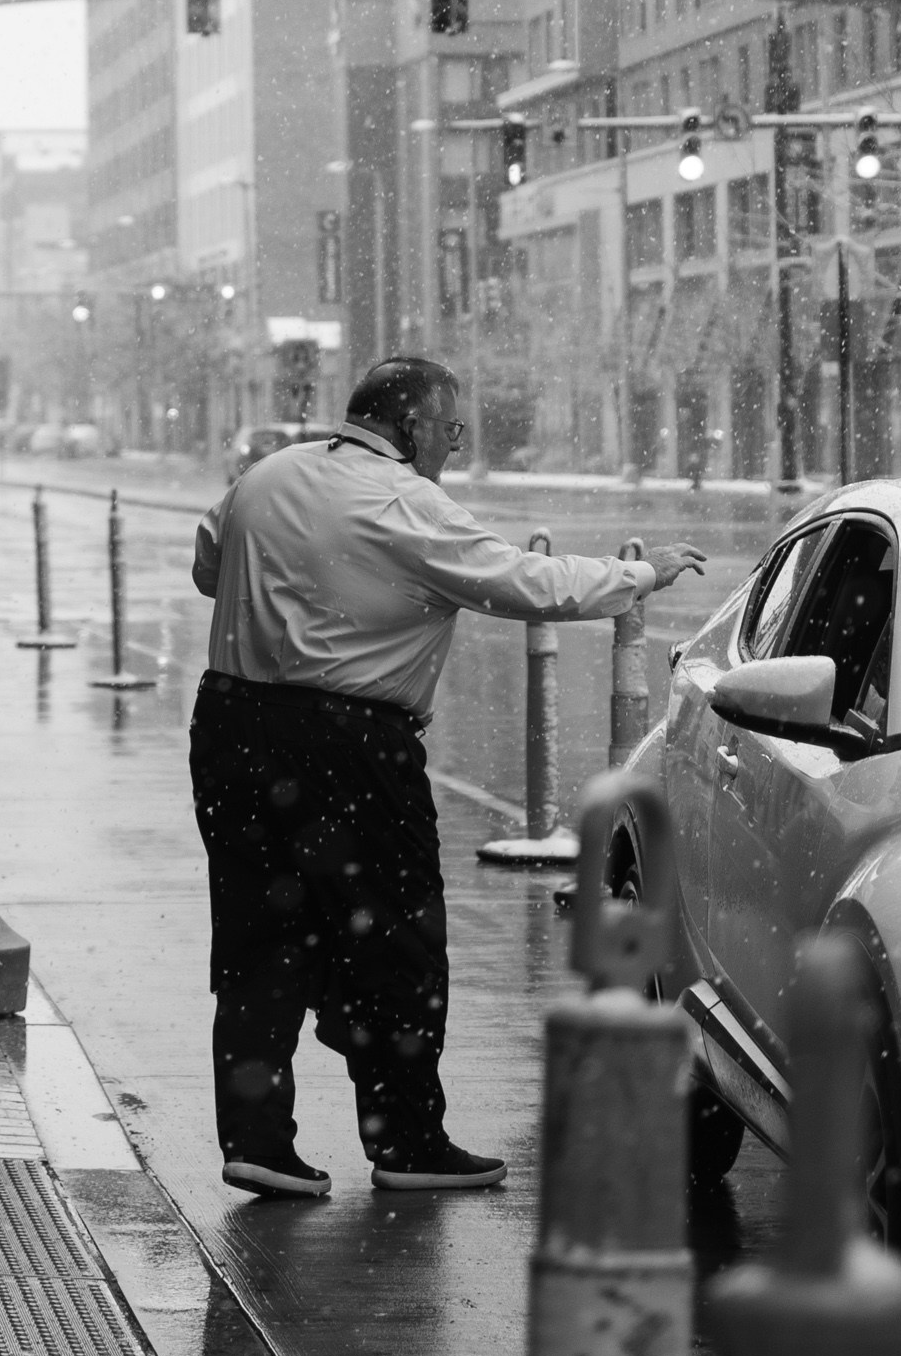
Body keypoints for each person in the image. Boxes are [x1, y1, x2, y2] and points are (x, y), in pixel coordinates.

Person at [187, 353, 697, 1200]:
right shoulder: (405, 503)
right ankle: (406, 1141)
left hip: (231, 727)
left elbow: (210, 565)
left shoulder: (266, 475)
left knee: (257, 935)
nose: (453, 448)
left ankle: (257, 1141)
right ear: (410, 425)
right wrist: (640, 574)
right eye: (450, 429)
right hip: (349, 744)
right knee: (395, 939)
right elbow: (525, 583)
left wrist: (291, 592)